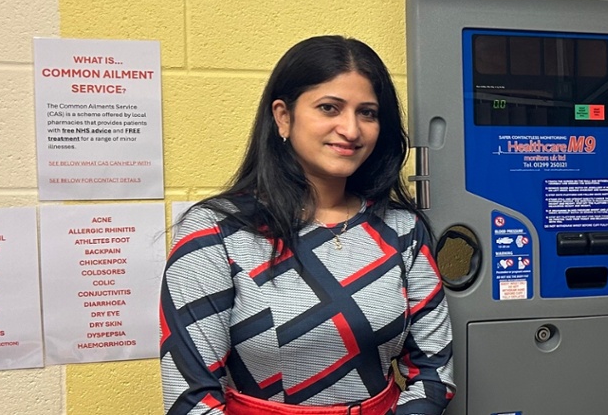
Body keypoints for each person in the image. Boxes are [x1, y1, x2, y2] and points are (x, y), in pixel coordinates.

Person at [162, 36, 454, 415]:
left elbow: (435, 373)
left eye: (367, 113)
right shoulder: (214, 232)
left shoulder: (403, 231)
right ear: (283, 116)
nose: (351, 129)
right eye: (329, 108)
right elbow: (191, 400)